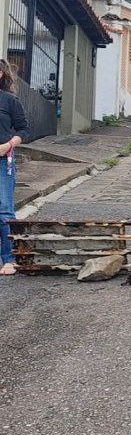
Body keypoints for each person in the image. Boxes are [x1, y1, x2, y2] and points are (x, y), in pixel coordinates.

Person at [0, 59, 29, 276]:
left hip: (3, 160)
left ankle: (9, 259)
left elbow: (23, 129)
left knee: (4, 209)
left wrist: (8, 145)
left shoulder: (10, 101)